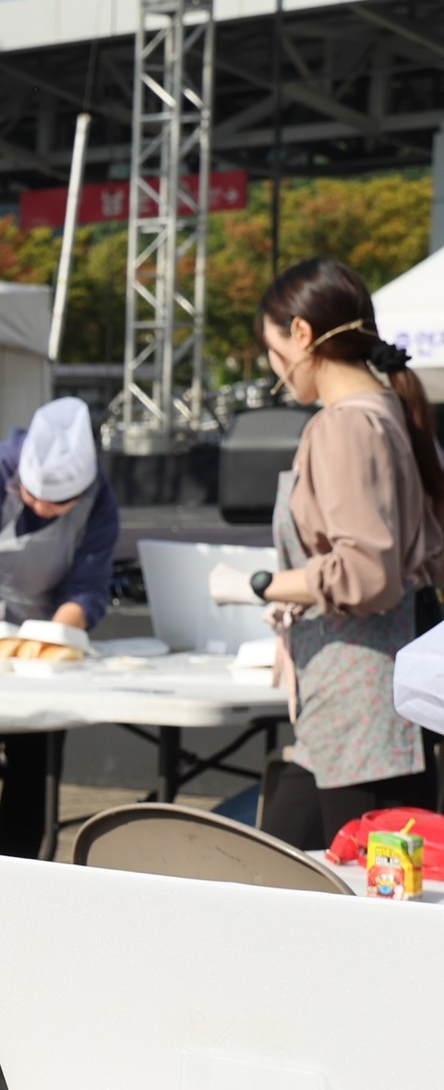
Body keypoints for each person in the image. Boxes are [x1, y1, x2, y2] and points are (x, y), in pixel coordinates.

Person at [211, 257, 444, 849]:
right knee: (282, 876)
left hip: (365, 708)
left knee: (351, 900)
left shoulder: (345, 424)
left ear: (301, 335)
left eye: (271, 348)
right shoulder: (388, 410)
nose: (274, 370)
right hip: (355, 708)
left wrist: (259, 583)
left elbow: (366, 575)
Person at [0, 397, 120, 859]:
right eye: (32, 498)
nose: (41, 509)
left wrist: (50, 638)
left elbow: (89, 585)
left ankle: (21, 878)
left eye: (57, 505)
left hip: (39, 650)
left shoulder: (98, 499)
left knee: (35, 772)